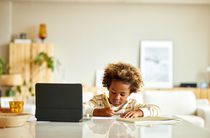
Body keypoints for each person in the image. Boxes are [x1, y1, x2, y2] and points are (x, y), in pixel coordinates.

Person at [83, 62, 160, 118]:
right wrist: (97, 112)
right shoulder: (98, 101)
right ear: (108, 87)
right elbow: (79, 109)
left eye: (122, 94)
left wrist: (139, 112)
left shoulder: (132, 105)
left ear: (130, 93)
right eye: (113, 92)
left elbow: (156, 109)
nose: (117, 97)